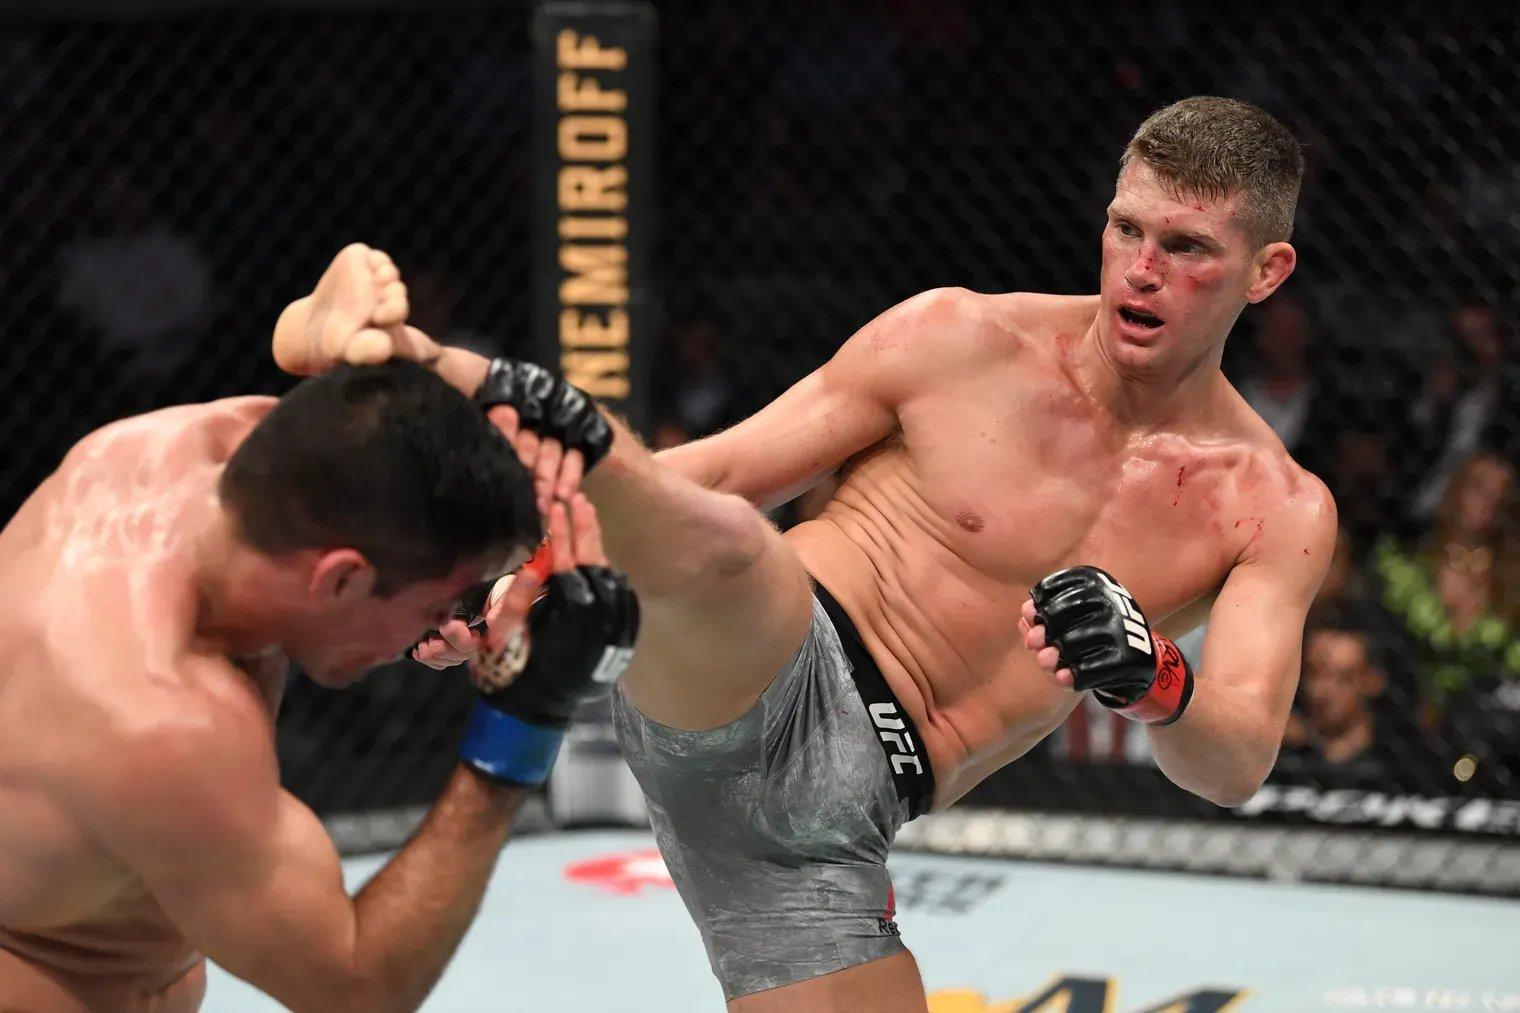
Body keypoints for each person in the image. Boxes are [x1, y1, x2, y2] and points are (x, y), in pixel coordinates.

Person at [293, 95, 1336, 1013]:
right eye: (1124, 228)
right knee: (734, 549)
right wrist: (515, 571)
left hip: (830, 834)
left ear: (1265, 270)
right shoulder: (956, 339)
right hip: (772, 656)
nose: (1139, 270)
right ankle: (407, 358)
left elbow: (1233, 758)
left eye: (1186, 247)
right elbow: (720, 472)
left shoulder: (1270, 507)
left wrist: (1152, 677)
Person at [0, 250, 637, 1013]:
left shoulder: (201, 455)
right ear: (341, 577)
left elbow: (377, 437)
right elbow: (356, 988)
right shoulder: (156, 720)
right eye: (433, 608)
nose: (440, 630)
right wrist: (520, 724)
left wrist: (328, 347)